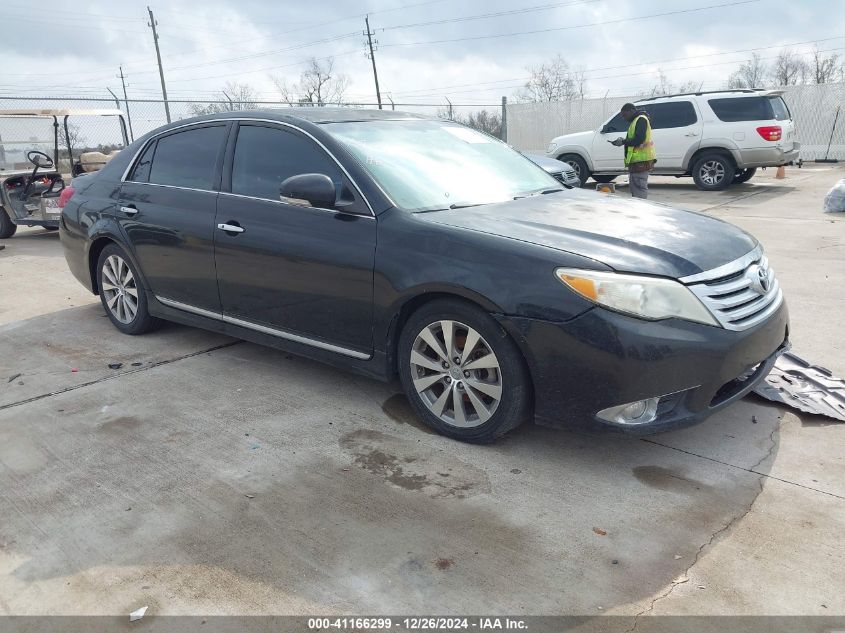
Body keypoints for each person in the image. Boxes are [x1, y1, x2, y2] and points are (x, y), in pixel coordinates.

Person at [610, 103, 656, 199]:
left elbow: (639, 139)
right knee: (636, 189)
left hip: (641, 162)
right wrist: (623, 141)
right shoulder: (637, 120)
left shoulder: (641, 119)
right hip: (637, 163)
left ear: (631, 111)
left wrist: (623, 141)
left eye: (625, 115)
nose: (624, 118)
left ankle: (641, 210)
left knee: (639, 190)